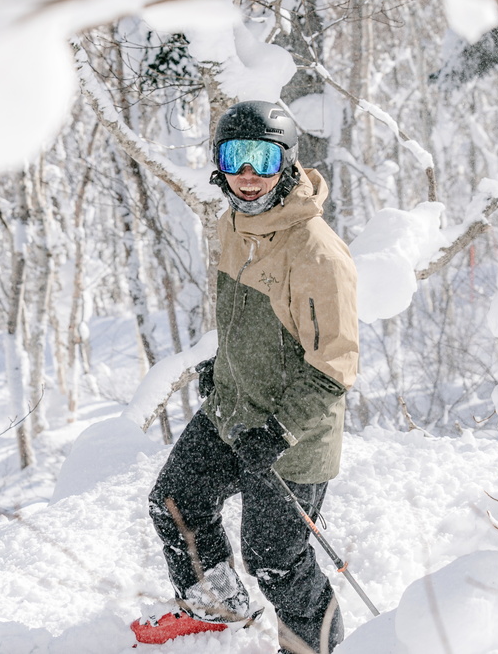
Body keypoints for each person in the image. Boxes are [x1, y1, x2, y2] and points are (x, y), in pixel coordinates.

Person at [148, 100, 359, 654]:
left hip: (291, 437)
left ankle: (318, 651)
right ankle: (216, 609)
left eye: (261, 160)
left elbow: (335, 366)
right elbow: (251, 320)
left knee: (276, 562)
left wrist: (278, 431)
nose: (246, 176)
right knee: (176, 502)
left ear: (286, 163)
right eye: (234, 157)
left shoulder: (316, 252)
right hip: (233, 411)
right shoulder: (233, 224)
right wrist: (223, 368)